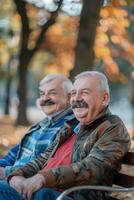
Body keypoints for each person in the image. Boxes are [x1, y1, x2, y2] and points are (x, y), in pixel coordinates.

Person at [0, 71, 130, 200]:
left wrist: (43, 178)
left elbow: (93, 167)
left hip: (69, 196)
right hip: (45, 192)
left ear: (104, 98)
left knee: (42, 194)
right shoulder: (70, 127)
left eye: (85, 92)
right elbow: (42, 159)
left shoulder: (112, 126)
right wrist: (16, 176)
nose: (77, 98)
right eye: (74, 93)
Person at [0, 73, 76, 179]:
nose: (45, 98)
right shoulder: (40, 125)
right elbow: (14, 154)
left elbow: (46, 166)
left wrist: (6, 172)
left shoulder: (70, 127)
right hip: (12, 179)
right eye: (42, 94)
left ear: (69, 97)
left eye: (52, 93)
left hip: (28, 185)